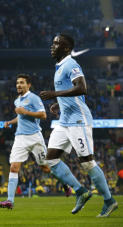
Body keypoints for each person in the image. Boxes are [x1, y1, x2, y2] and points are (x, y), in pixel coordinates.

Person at [40, 33, 118, 218]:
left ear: (66, 48)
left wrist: (54, 94)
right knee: (50, 159)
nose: (52, 46)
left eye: (56, 43)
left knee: (87, 163)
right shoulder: (59, 66)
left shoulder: (71, 64)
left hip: (78, 120)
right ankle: (81, 191)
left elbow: (82, 87)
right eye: (52, 42)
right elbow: (73, 92)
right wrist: (59, 102)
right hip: (64, 120)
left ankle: (109, 201)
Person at [0, 74, 71, 210]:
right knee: (13, 167)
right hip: (20, 137)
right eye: (17, 83)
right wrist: (10, 122)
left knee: (46, 168)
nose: (18, 85)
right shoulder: (17, 101)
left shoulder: (34, 98)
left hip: (35, 137)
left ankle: (65, 183)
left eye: (22, 83)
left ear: (28, 85)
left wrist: (25, 112)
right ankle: (10, 200)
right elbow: (21, 117)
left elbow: (43, 115)